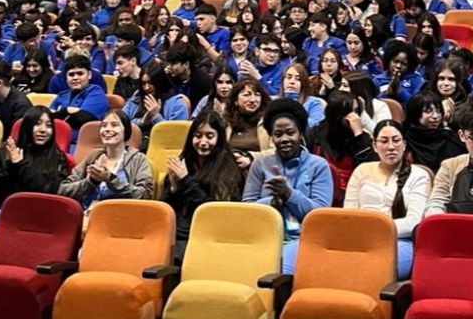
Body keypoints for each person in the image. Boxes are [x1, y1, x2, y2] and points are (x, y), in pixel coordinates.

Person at [242, 98, 332, 273]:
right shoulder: (261, 164)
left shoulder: (318, 166)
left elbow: (321, 214)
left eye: (290, 132)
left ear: (301, 134)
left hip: (304, 238)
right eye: (278, 134)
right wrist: (272, 203)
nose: (284, 139)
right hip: (264, 236)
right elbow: (247, 209)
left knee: (278, 270)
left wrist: (289, 194)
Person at [344, 120, 431, 277]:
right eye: (384, 141)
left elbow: (413, 223)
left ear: (404, 145)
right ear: (375, 146)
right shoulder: (362, 170)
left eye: (396, 140)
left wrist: (375, 230)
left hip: (399, 241)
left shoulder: (419, 175)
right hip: (360, 240)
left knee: (372, 270)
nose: (391, 146)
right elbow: (349, 215)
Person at [160, 111, 243, 258]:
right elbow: (165, 211)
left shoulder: (228, 168)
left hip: (206, 236)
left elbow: (215, 212)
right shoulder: (185, 162)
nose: (203, 142)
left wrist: (186, 180)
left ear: (219, 138)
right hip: (174, 234)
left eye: (209, 136)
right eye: (198, 136)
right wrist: (173, 189)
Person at [59, 108, 153, 213]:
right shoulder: (93, 157)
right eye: (104, 126)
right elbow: (63, 190)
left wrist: (111, 180)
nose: (107, 129)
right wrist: (91, 182)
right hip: (86, 216)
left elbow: (144, 196)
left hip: (121, 218)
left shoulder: (138, 159)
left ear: (126, 130)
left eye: (114, 125)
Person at [0, 106, 70, 208]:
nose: (43, 130)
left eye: (49, 126)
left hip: (38, 213)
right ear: (27, 126)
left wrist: (20, 166)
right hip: (1, 210)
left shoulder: (56, 156)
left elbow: (48, 192)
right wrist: (9, 167)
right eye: (37, 124)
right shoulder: (8, 150)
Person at [402, 89, 465, 172]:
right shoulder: (405, 138)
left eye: (438, 111)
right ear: (416, 114)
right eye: (428, 111)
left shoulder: (449, 138)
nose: (435, 116)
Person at [49, 54, 108, 142]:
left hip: (82, 143)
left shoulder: (96, 92)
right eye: (71, 74)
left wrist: (61, 114)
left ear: (89, 75)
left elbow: (83, 119)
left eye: (80, 73)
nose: (75, 78)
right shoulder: (62, 95)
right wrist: (67, 111)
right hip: (55, 142)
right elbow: (49, 119)